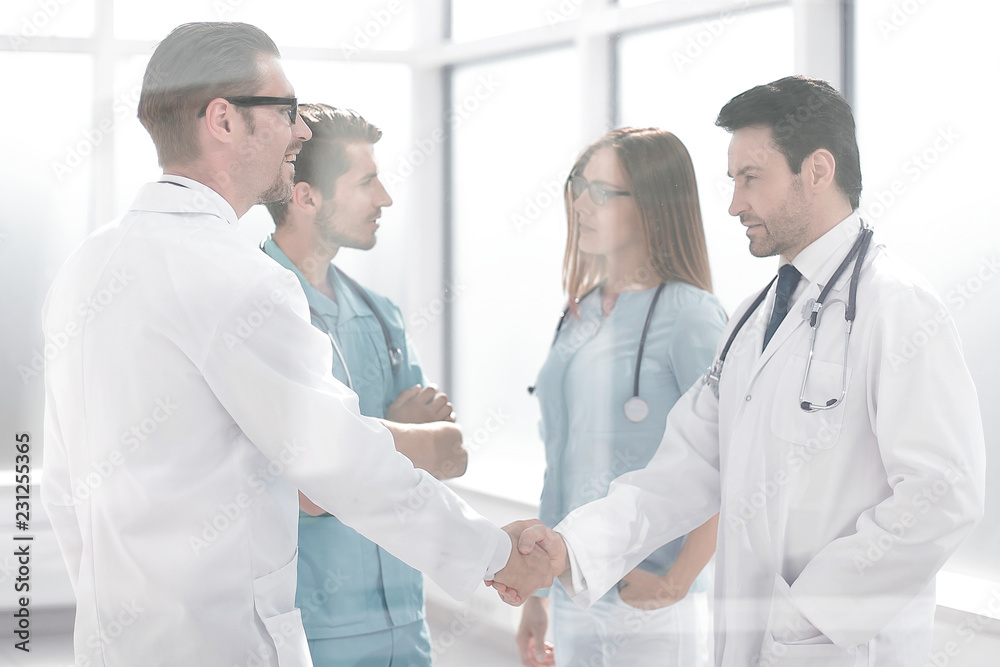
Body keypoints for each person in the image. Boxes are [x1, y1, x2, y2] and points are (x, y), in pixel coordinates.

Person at [39, 22, 549, 667]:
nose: (301, 130)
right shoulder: (238, 277)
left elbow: (60, 485)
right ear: (222, 120)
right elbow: (339, 462)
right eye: (284, 111)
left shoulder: (86, 266)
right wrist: (495, 555)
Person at [499, 76, 985, 667]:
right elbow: (682, 473)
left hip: (836, 649)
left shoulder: (896, 305)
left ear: (817, 169)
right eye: (732, 181)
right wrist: (569, 547)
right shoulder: (753, 320)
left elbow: (944, 493)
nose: (733, 204)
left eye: (750, 178)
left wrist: (808, 616)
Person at [261, 103, 463, 666]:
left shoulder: (382, 315)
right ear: (306, 197)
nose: (385, 199)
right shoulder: (255, 312)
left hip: (405, 622)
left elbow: (449, 453)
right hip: (309, 630)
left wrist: (362, 445)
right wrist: (406, 437)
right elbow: (304, 489)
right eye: (366, 181)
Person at [517, 128, 725, 667]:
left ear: (656, 204)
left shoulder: (691, 315)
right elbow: (557, 458)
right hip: (573, 587)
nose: (581, 206)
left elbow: (728, 462)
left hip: (646, 596)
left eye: (604, 193)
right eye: (579, 188)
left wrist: (678, 581)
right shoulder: (578, 314)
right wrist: (538, 593)